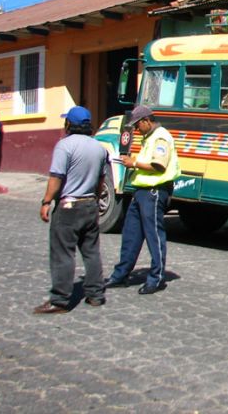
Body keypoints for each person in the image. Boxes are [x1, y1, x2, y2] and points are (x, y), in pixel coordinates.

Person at [33, 106, 108, 314]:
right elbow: (102, 181)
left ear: (70, 124)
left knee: (62, 253)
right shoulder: (99, 148)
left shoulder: (64, 146)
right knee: (91, 251)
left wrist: (46, 201)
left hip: (68, 206)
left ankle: (60, 300)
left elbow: (56, 177)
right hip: (90, 204)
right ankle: (95, 294)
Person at [105, 105, 180, 295]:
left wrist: (134, 162)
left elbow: (159, 165)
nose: (137, 129)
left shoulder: (161, 136)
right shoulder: (149, 137)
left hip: (154, 192)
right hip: (141, 191)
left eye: (138, 125)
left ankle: (156, 278)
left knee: (154, 235)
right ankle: (120, 275)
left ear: (147, 120)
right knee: (130, 235)